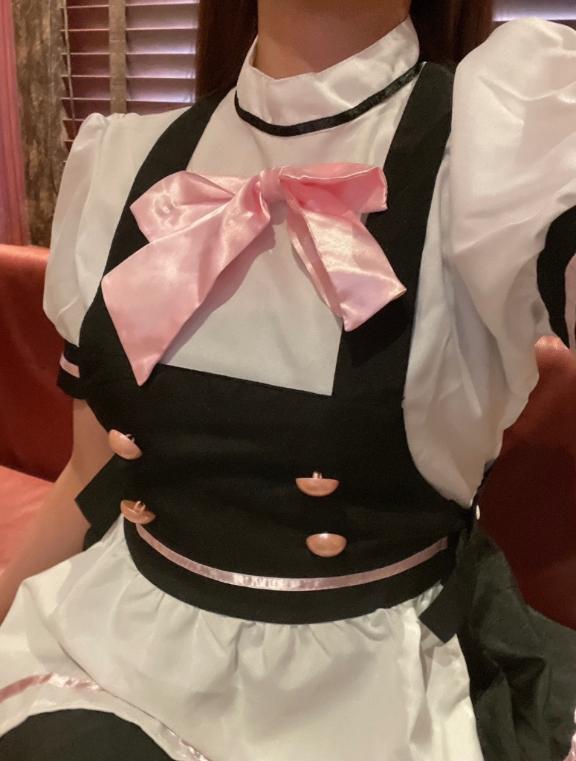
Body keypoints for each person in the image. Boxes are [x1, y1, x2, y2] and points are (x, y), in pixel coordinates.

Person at [0, 1, 575, 759]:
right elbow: (88, 471)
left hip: (366, 690)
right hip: (108, 651)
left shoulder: (506, 148)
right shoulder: (121, 160)